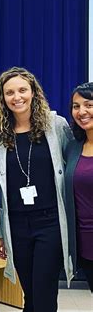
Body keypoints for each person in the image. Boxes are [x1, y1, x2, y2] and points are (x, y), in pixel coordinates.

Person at [0, 67, 74, 312]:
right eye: (10, 92)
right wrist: (0, 232)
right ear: (2, 98)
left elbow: (73, 167)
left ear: (33, 92)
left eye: (22, 90)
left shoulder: (55, 125)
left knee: (44, 299)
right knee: (30, 300)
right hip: (17, 227)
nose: (17, 97)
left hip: (50, 224)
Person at [65, 82, 93, 292]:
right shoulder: (73, 146)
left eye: (89, 105)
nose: (81, 112)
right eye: (76, 106)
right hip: (85, 243)